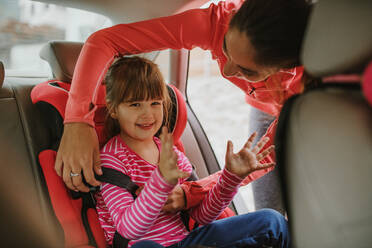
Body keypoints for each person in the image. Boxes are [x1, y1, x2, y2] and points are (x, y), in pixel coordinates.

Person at [55, 0, 312, 212]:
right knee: (269, 204)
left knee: (282, 209)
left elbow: (265, 157)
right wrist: (77, 120)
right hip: (262, 106)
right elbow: (104, 41)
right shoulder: (211, 23)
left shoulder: (309, 90)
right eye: (225, 49)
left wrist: (192, 192)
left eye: (246, 70)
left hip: (290, 109)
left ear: (286, 67)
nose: (226, 69)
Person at [95, 56, 289, 247]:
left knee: (271, 220)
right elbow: (129, 229)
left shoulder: (171, 153)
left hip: (188, 241)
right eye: (135, 104)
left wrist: (231, 179)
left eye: (155, 103)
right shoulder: (112, 159)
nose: (148, 114)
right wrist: (159, 183)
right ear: (113, 109)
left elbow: (200, 216)